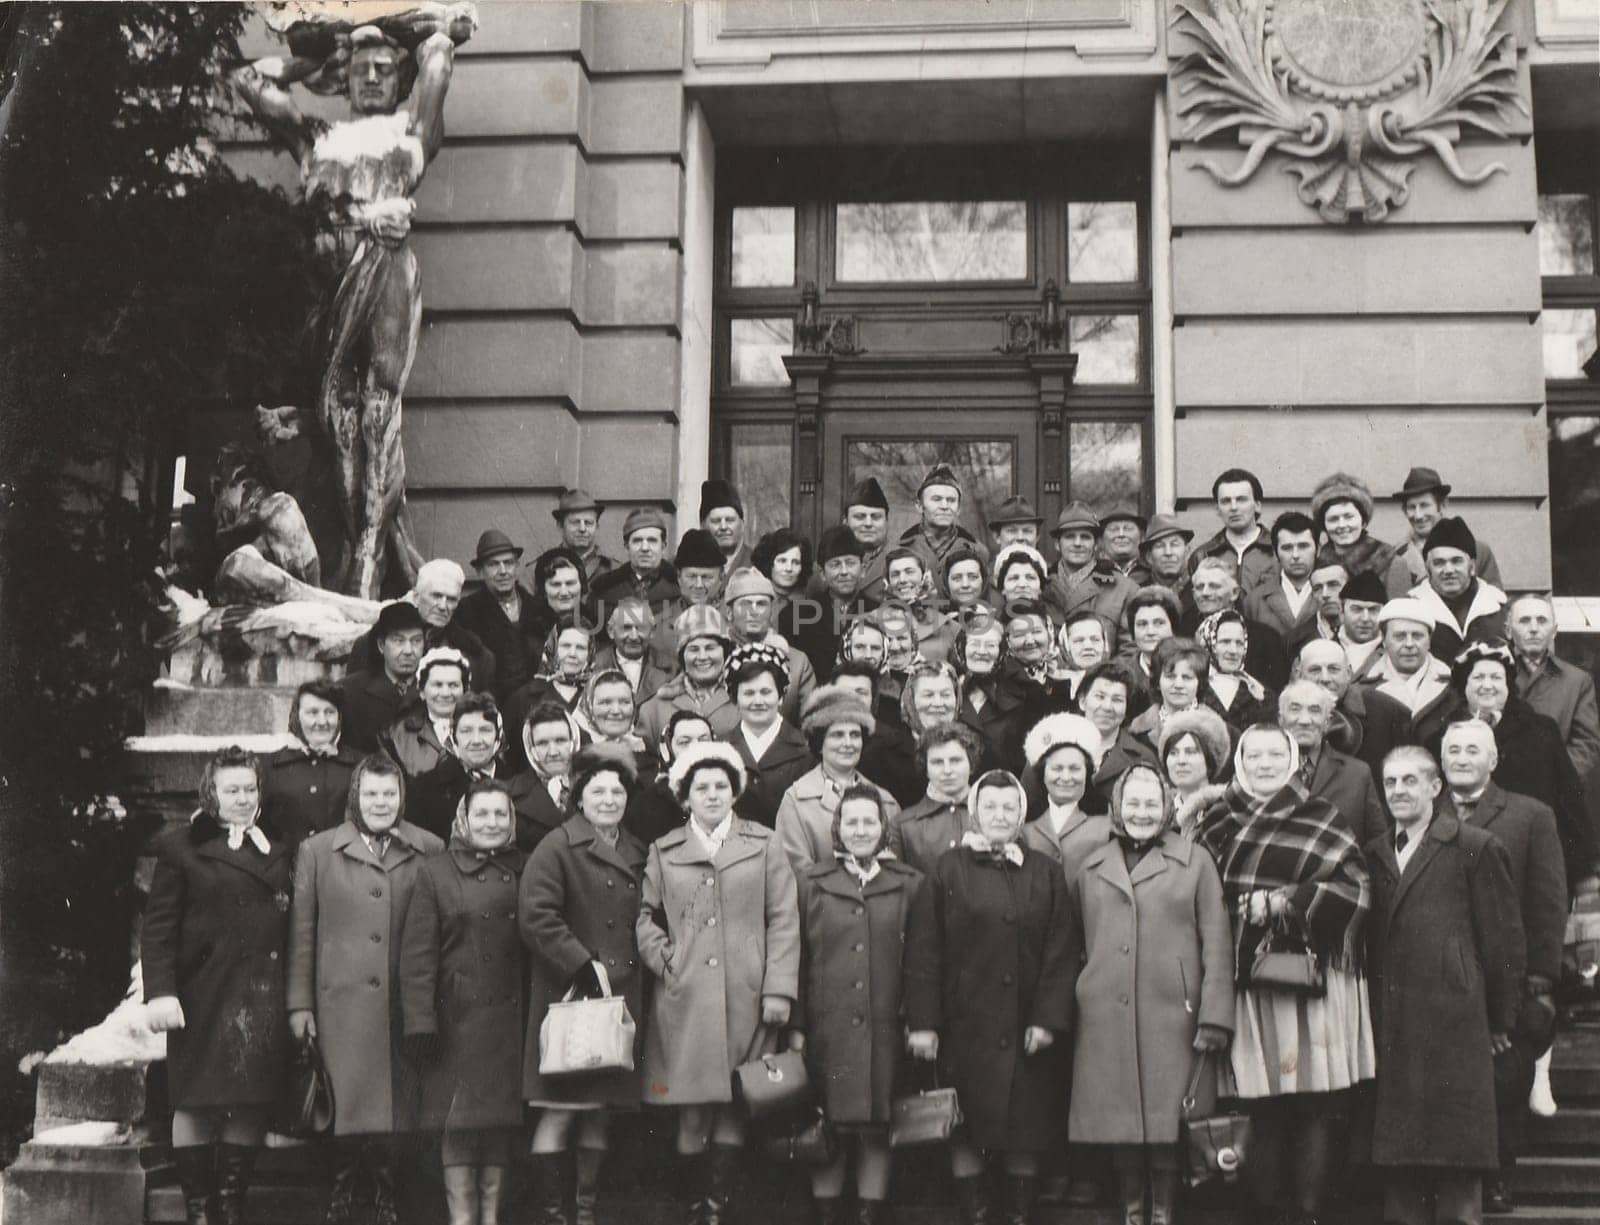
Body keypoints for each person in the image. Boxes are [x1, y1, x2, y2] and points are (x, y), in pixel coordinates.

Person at [231, 15, 469, 597]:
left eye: (382, 68)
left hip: (383, 274)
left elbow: (440, 47)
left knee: (376, 417)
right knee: (331, 418)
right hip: (324, 286)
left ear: (400, 77)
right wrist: (318, 56)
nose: (368, 78)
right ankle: (342, 560)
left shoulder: (413, 130)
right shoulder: (318, 137)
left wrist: (378, 21)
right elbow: (251, 83)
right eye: (357, 69)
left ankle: (367, 565)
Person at [1195, 724, 1375, 1225]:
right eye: (1256, 755)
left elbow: (1358, 890)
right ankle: (1267, 1213)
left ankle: (1309, 1213)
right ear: (1240, 761)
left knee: (1314, 1100)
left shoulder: (1322, 816)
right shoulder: (1214, 821)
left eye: (1278, 754)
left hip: (1311, 983)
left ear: (1295, 760)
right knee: (1259, 1101)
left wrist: (1284, 903)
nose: (1267, 763)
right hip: (1243, 983)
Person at [638, 741, 801, 1225]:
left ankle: (716, 1210)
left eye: (721, 786)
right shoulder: (664, 850)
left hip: (748, 998)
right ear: (685, 797)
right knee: (691, 1108)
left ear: (735, 792)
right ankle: (694, 1210)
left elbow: (784, 919)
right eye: (701, 787)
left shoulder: (764, 843)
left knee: (734, 1103)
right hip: (684, 1002)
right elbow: (647, 918)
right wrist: (667, 961)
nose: (712, 794)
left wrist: (778, 989)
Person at [904, 769, 1076, 1225]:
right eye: (990, 807)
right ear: (975, 813)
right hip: (965, 1029)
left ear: (1021, 813)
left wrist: (1047, 1020)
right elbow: (924, 951)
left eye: (1008, 807)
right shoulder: (947, 869)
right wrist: (924, 1024)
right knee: (966, 1129)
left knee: (1024, 1130)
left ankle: (1018, 1216)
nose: (999, 815)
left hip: (1026, 1030)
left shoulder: (1046, 872)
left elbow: (1061, 952)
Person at [1067, 765, 1234, 1225]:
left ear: (1166, 808)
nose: (1141, 812)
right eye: (1132, 803)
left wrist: (1214, 1017)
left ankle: (1161, 1215)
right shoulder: (1091, 864)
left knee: (1166, 1123)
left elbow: (1217, 943)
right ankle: (1132, 1213)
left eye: (1151, 803)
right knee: (1120, 1121)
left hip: (1173, 1017)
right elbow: (1077, 942)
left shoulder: (1195, 860)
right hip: (1105, 1014)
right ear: (1117, 808)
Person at [288, 753, 446, 1224]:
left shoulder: (429, 848)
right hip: (340, 1004)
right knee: (345, 1100)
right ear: (356, 796)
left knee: (396, 1105)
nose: (381, 802)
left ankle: (385, 1193)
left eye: (390, 793)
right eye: (371, 793)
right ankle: (341, 1193)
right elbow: (302, 934)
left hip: (401, 1001)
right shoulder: (317, 851)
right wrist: (300, 1004)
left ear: (402, 797)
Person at [1367, 746, 1522, 1225]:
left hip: (1455, 1028)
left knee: (1456, 1180)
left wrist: (1500, 1021)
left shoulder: (1474, 846)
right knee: (1402, 1183)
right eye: (1390, 782)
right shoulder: (1374, 852)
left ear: (1436, 788)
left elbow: (1502, 942)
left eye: (1410, 781)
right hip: (1393, 1029)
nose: (1398, 791)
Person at [144, 747, 292, 1225]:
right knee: (195, 1097)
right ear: (211, 794)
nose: (243, 799)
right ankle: (200, 1211)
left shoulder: (276, 845)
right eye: (232, 790)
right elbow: (159, 928)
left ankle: (230, 1207)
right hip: (201, 992)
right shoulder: (180, 846)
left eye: (250, 789)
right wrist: (161, 991)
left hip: (259, 994)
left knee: (248, 1097)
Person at [1438, 720, 1566, 1213]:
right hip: (1443, 974)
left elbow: (1548, 899)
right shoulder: (1423, 811)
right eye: (1453, 751)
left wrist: (1541, 975)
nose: (1462, 758)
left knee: (1503, 1077)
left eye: (1473, 750)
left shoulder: (1530, 816)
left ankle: (1496, 1175)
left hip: (1507, 975)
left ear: (1493, 761)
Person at [520, 744, 649, 1225]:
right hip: (571, 996)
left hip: (621, 1001)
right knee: (559, 1111)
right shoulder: (557, 846)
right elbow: (537, 917)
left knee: (598, 1111)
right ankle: (556, 1216)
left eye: (617, 790)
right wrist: (580, 964)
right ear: (579, 796)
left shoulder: (636, 849)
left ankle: (586, 1212)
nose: (609, 798)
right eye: (598, 790)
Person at [792, 783, 923, 1225]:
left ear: (884, 829)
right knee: (827, 1124)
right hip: (825, 1029)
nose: (861, 829)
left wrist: (916, 1020)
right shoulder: (812, 882)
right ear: (838, 828)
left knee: (877, 1127)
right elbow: (797, 956)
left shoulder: (909, 884)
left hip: (887, 1027)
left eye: (870, 821)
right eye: (852, 821)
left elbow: (922, 961)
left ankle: (869, 1215)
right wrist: (796, 1027)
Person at [399, 778, 527, 1225]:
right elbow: (417, 958)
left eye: (500, 815)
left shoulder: (526, 868)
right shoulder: (436, 873)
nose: (490, 823)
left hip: (510, 1022)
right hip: (455, 1024)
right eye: (482, 814)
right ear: (463, 820)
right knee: (457, 1127)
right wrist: (419, 1024)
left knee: (497, 1126)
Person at [1427, 641, 1598, 891]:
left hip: (1529, 857)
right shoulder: (1442, 737)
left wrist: (1582, 868)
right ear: (1465, 685)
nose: (1487, 685)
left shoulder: (1541, 731)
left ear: (1508, 684)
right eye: (1478, 677)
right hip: (1464, 861)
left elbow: (1569, 797)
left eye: (1496, 677)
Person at [776, 684, 901, 870]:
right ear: (819, 742)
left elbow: (895, 870)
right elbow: (796, 872)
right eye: (837, 735)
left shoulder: (886, 801)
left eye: (855, 734)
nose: (848, 743)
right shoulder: (796, 801)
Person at [351, 560, 497, 696]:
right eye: (436, 596)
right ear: (416, 597)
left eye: (451, 599)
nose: (442, 606)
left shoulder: (477, 657)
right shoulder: (371, 646)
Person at [1278, 679, 1388, 847]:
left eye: (1315, 711)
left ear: (1327, 722)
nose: (1305, 720)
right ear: (1281, 719)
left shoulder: (1357, 775)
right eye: (1295, 709)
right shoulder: (1262, 772)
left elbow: (1378, 846)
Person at [1508, 592, 1600, 787]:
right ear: (1508, 630)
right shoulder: (1491, 675)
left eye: (1542, 621)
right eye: (1524, 621)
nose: (1534, 629)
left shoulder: (1577, 681)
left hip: (1554, 792)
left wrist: (1554, 780)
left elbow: (1586, 745)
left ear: (1554, 631)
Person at [1295, 638, 1415, 786]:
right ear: (1299, 675)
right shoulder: (1282, 716)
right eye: (1315, 670)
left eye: (1333, 669)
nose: (1325, 678)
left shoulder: (1388, 712)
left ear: (1349, 673)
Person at [724, 641, 814, 828]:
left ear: (781, 696)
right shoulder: (720, 748)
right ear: (735, 698)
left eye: (766, 692)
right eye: (748, 693)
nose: (758, 701)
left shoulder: (806, 750)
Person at [261, 680, 362, 845]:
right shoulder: (270, 767)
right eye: (313, 713)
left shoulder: (360, 766)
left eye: (330, 712)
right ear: (296, 716)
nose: (322, 722)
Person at [726, 565, 820, 723]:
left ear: (771, 612)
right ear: (729, 613)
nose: (754, 611)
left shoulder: (796, 662)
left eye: (761, 604)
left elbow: (811, 724)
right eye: (745, 604)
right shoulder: (714, 657)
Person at [408, 691, 507, 842]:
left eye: (485, 730)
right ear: (454, 738)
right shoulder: (424, 790)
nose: (476, 740)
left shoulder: (517, 784)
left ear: (498, 737)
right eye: (466, 731)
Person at [637, 606, 739, 751]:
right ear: (682, 656)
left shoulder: (743, 699)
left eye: (710, 648)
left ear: (725, 652)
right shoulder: (653, 710)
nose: (702, 657)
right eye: (693, 649)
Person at [454, 529, 541, 700]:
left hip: (535, 702)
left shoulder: (537, 608)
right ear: (480, 571)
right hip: (491, 706)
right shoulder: (467, 612)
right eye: (493, 564)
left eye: (508, 563)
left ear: (516, 567)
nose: (503, 571)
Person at [888, 721, 985, 874]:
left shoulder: (994, 815)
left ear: (971, 764)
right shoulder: (903, 826)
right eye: (937, 762)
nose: (947, 770)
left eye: (955, 761)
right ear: (926, 769)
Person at [1407, 517, 1508, 663]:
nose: (1448, 570)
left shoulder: (1499, 607)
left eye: (1456, 561)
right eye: (1439, 563)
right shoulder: (1411, 608)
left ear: (1472, 567)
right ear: (1428, 570)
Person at [1020, 712, 1110, 874]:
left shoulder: (1105, 816)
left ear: (1087, 772)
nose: (1066, 777)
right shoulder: (1026, 819)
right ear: (1043, 773)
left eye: (1075, 768)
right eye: (1057, 769)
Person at [1390, 467, 1502, 595]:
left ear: (1442, 506)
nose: (1418, 515)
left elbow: (1495, 601)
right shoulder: (1394, 557)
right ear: (1404, 511)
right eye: (1411, 507)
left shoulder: (1479, 551)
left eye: (1424, 505)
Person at [1043, 502, 1138, 651]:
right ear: (1057, 544)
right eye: (1069, 537)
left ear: (1096, 544)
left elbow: (1131, 650)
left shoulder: (1124, 589)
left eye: (1085, 537)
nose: (1078, 543)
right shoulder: (1040, 585)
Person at [1183, 556, 1290, 690]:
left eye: (1214, 586)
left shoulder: (1265, 638)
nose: (1205, 593)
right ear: (1193, 595)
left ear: (1234, 593)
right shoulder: (1183, 635)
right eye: (1199, 587)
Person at [342, 600, 426, 752]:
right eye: (398, 641)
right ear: (381, 645)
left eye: (416, 641)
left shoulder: (436, 688)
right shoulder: (350, 692)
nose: (408, 650)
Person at [1361, 598, 1453, 733]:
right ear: (1384, 640)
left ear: (1429, 640)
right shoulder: (1361, 689)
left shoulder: (1452, 685)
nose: (1409, 644)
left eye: (1417, 636)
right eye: (1400, 636)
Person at [626, 709, 712, 847]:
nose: (696, 748)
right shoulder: (645, 805)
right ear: (668, 750)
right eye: (684, 742)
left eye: (703, 740)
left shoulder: (737, 796)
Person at [1309, 473, 1408, 592]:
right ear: (1323, 525)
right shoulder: (1316, 563)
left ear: (1363, 521)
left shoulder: (1389, 561)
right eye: (1333, 519)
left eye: (1349, 517)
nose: (1341, 525)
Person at [1242, 511, 1322, 655]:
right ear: (1276, 552)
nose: (1296, 555)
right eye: (1287, 548)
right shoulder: (1255, 601)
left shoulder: (1331, 594)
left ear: (1318, 549)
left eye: (1303, 546)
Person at [506, 615, 599, 739]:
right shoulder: (523, 698)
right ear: (553, 648)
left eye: (580, 648)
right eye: (565, 646)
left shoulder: (597, 696)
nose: (572, 654)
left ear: (590, 654)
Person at [1128, 637, 1220, 759]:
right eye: (1170, 676)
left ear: (1200, 683)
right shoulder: (1137, 733)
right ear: (1157, 682)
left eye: (1187, 677)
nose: (1178, 685)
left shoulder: (1219, 732)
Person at [386, 645, 470, 778]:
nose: (445, 693)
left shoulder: (482, 728)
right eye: (437, 685)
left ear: (465, 690)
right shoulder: (399, 735)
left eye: (453, 685)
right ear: (422, 692)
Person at [1187, 468, 1276, 594]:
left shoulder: (1276, 551)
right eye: (1226, 501)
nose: (1233, 507)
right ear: (1217, 509)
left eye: (1241, 500)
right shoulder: (1202, 555)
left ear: (1257, 505)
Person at [507, 702, 581, 852]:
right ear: (530, 748)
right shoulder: (509, 795)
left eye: (560, 741)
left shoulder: (596, 787)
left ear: (573, 742)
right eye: (542, 743)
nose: (553, 752)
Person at [898, 463, 990, 578]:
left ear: (959, 509)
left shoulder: (977, 551)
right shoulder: (901, 549)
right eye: (936, 499)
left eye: (951, 500)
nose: (944, 506)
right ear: (920, 506)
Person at [1078, 661, 1159, 793]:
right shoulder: (1060, 747)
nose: (1107, 707)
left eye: (1117, 700)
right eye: (1100, 697)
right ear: (1082, 702)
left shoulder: (1142, 758)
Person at [590, 507, 681, 621]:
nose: (644, 548)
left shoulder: (679, 588)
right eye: (637, 541)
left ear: (663, 546)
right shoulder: (604, 590)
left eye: (652, 540)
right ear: (627, 547)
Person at [1156, 705, 1231, 838]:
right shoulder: (1157, 809)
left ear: (1210, 760)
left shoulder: (1225, 809)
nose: (1181, 761)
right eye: (1173, 753)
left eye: (1191, 752)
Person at [1196, 608, 1276, 730]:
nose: (1234, 650)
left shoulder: (1260, 694)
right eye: (1225, 642)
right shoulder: (1194, 688)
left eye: (1239, 643)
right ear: (1209, 643)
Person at [594, 596, 672, 705]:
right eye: (626, 628)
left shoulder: (671, 668)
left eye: (641, 628)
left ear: (653, 631)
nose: (634, 636)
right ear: (611, 631)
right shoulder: (593, 668)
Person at [884, 549, 957, 663]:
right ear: (887, 582)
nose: (902, 580)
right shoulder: (872, 622)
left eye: (909, 572)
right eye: (895, 574)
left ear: (924, 576)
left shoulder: (949, 628)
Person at [526, 546, 593, 656]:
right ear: (543, 590)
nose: (564, 592)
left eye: (570, 583)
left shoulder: (596, 627)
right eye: (556, 585)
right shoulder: (528, 633)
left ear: (582, 586)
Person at [752, 526, 816, 637]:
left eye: (796, 562)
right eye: (782, 561)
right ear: (769, 562)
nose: (789, 568)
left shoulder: (808, 608)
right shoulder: (752, 598)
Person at [837, 477, 892, 603]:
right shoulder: (825, 565)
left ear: (886, 522)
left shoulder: (904, 561)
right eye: (860, 517)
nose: (868, 523)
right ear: (845, 522)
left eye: (876, 517)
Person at [552, 487, 619, 583]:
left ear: (597, 526)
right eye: (575, 522)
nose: (582, 529)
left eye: (588, 522)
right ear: (560, 526)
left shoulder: (615, 570)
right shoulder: (541, 568)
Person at [1336, 571, 1389, 683]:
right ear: (1341, 612)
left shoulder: (1393, 654)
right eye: (1357, 609)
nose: (1365, 618)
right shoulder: (1322, 649)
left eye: (1373, 610)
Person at [1123, 585, 1182, 685]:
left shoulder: (1193, 669)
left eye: (1159, 623)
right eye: (1142, 624)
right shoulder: (1122, 674)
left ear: (1173, 627)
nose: (1150, 632)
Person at [699, 480, 751, 587]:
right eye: (716, 521)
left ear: (742, 524)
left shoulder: (759, 566)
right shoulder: (686, 567)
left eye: (730, 520)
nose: (723, 527)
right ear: (702, 525)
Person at [1057, 611, 1111, 708]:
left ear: (1105, 644)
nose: (1088, 646)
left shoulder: (1120, 683)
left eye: (1095, 639)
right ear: (1065, 646)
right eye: (1079, 640)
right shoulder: (1053, 687)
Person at [1138, 513, 1193, 594]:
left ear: (1187, 551)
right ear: (1149, 557)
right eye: (1160, 546)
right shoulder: (1138, 593)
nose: (1168, 552)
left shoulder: (1201, 590)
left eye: (1174, 544)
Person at [941, 545, 990, 617]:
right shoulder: (934, 622)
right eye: (957, 578)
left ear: (983, 580)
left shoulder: (1000, 615)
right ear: (946, 583)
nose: (965, 584)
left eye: (973, 577)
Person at [1308, 558, 1348, 644]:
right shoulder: (1294, 642)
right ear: (1312, 595)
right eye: (1317, 588)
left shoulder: (1369, 631)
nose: (1325, 594)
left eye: (1333, 585)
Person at [1100, 508, 1147, 581]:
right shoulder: (1093, 574)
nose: (1121, 534)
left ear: (1142, 537)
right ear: (1102, 539)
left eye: (1128, 528)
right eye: (1113, 529)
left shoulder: (1154, 573)